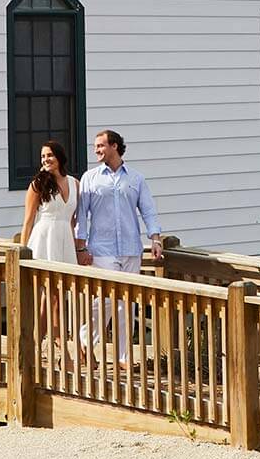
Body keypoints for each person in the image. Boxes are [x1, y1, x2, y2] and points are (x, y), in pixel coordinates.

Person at [73, 129, 163, 363]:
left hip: (131, 248)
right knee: (104, 299)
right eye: (95, 146)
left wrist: (155, 237)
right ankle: (84, 340)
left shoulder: (136, 179)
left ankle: (124, 356)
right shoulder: (90, 178)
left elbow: (148, 210)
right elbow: (82, 215)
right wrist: (80, 247)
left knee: (126, 303)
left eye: (101, 146)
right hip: (101, 248)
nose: (96, 150)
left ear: (114, 146)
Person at [18, 140, 79, 265]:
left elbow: (73, 221)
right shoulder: (37, 184)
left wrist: (77, 247)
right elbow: (28, 221)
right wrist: (22, 252)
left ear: (59, 157)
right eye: (43, 156)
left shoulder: (75, 183)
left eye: (50, 155)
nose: (46, 159)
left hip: (66, 239)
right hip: (44, 239)